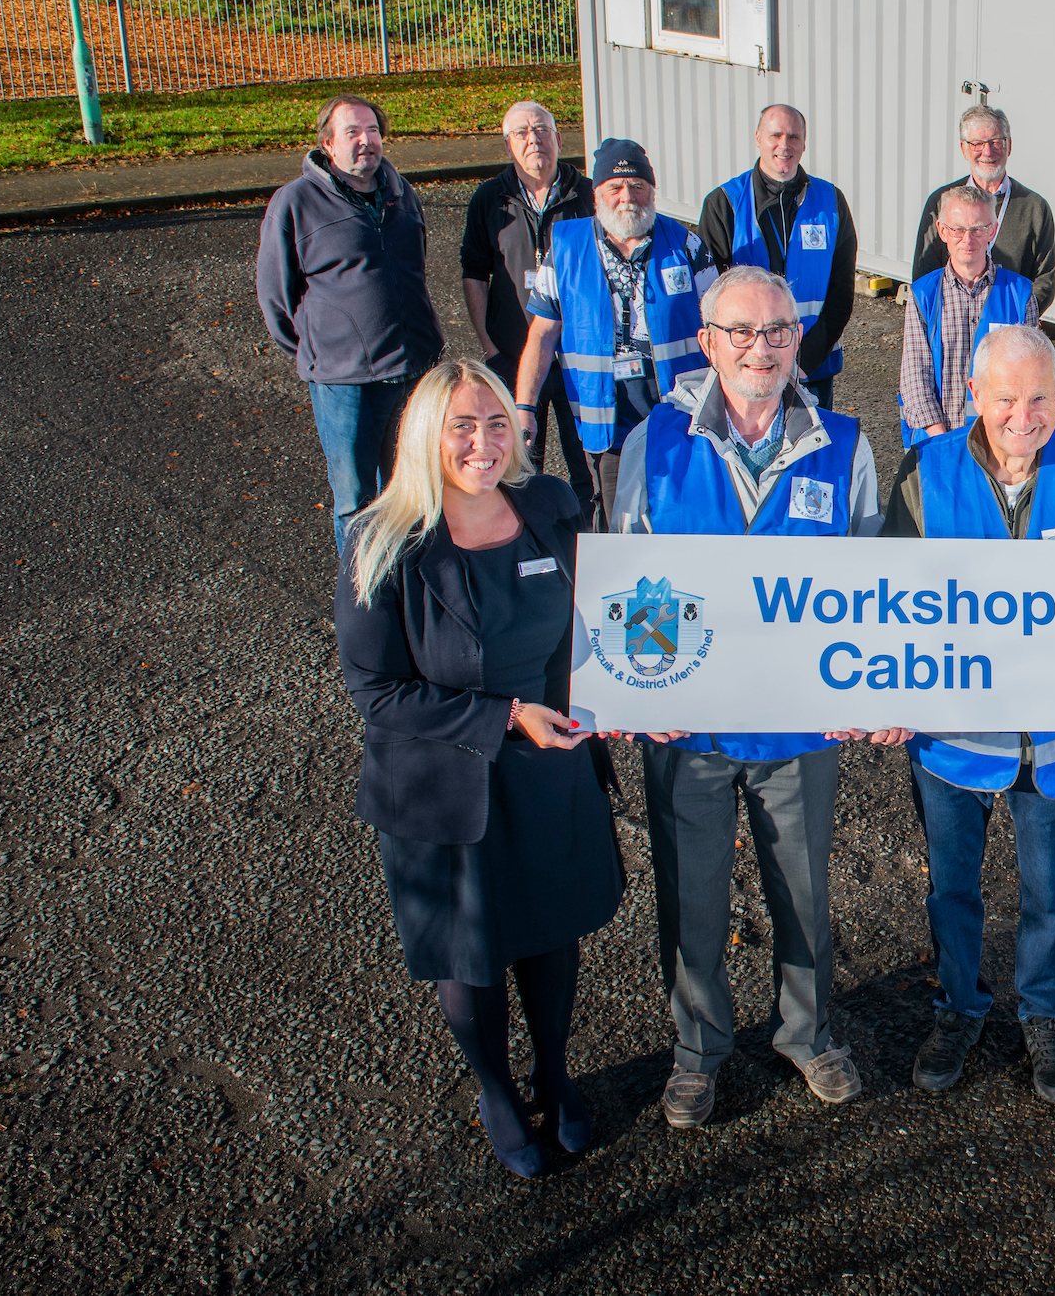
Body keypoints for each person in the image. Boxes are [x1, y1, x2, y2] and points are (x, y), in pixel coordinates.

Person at [332, 358, 624, 1180]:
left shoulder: (548, 506)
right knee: (471, 953)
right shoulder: (383, 542)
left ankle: (555, 1068)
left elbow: (603, 614)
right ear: (427, 433)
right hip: (445, 785)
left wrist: (640, 692)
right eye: (463, 425)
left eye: (497, 422)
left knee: (549, 935)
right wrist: (502, 717)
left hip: (549, 769)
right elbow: (376, 690)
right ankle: (497, 1089)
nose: (484, 442)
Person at [611, 265, 883, 1127]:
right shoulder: (655, 441)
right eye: (739, 331)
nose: (759, 347)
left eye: (775, 331)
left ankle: (806, 1033)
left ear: (796, 340)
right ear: (707, 342)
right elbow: (624, 573)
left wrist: (872, 683)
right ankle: (698, 1051)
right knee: (690, 895)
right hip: (689, 723)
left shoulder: (845, 444)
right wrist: (637, 692)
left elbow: (875, 584)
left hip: (802, 722)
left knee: (802, 892)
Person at [875, 325, 1055, 1103]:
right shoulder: (929, 472)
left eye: (1040, 400)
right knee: (952, 888)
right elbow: (883, 601)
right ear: (973, 400)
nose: (1024, 417)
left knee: (1048, 888)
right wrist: (885, 696)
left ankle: (1047, 1009)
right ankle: (958, 1004)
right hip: (953, 736)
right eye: (1005, 400)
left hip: (1053, 740)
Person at [257, 94, 443, 555]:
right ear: (327, 143)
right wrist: (324, 353)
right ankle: (364, 603)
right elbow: (276, 298)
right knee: (356, 501)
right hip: (347, 384)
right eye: (353, 133)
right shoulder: (295, 203)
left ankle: (409, 592)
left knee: (414, 491)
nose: (366, 141)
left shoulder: (402, 192)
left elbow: (413, 268)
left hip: (414, 369)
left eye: (373, 131)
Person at [515, 138, 716, 533]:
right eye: (615, 188)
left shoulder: (688, 246)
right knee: (616, 523)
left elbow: (721, 326)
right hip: (605, 421)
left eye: (638, 186)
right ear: (597, 195)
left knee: (681, 518)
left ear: (652, 191)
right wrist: (524, 408)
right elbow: (541, 336)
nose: (628, 197)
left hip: (679, 415)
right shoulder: (565, 250)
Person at [460, 101, 595, 512]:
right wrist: (490, 346)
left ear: (558, 138)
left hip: (578, 358)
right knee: (518, 468)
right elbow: (474, 273)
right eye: (521, 132)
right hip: (514, 359)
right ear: (507, 145)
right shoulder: (489, 200)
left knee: (588, 466)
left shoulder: (587, 195)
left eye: (542, 130)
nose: (533, 139)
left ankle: (586, 545)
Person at [696, 105, 859, 410]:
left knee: (813, 452)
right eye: (775, 135)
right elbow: (710, 297)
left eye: (794, 137)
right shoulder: (724, 204)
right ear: (758, 138)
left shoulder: (831, 201)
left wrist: (803, 360)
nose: (784, 145)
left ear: (804, 143)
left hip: (812, 368)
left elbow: (842, 292)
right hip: (750, 366)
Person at [898, 183, 1040, 447]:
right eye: (958, 229)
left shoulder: (1019, 295)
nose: (968, 239)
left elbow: (1030, 378)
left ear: (992, 231)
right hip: (938, 441)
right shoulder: (923, 295)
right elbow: (915, 378)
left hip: (1001, 446)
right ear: (942, 231)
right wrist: (945, 442)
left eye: (978, 229)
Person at [908, 104, 1055, 313]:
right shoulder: (942, 201)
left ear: (1009, 145)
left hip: (1010, 328)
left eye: (996, 142)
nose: (987, 152)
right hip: (952, 323)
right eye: (977, 144)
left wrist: (1016, 316)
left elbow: (1045, 280)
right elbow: (924, 273)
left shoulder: (1034, 207)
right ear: (963, 148)